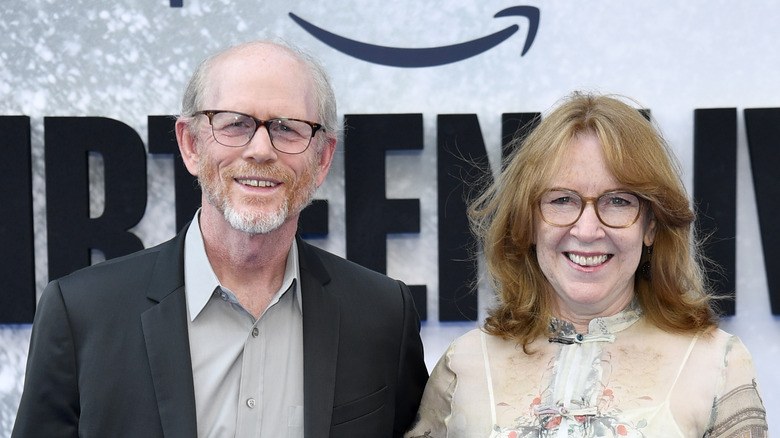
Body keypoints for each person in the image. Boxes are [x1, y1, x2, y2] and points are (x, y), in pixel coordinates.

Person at [13, 40, 428, 438]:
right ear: (190, 145)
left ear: (321, 159)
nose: (262, 150)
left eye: (287, 128)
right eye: (236, 124)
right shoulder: (82, 314)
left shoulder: (384, 316)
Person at [405, 92, 768, 437]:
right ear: (527, 223)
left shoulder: (718, 364)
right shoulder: (463, 365)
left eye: (618, 201)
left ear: (652, 225)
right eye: (562, 199)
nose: (588, 229)